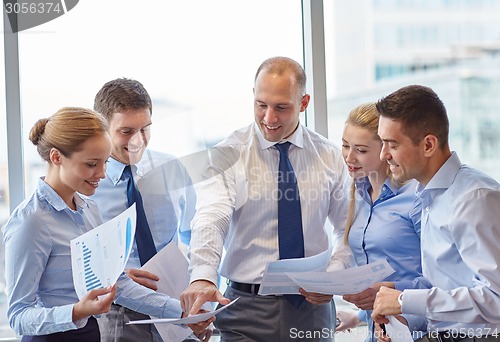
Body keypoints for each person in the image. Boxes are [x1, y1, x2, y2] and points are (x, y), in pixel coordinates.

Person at [180, 56, 353, 341]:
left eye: (281, 108)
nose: (269, 118)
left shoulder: (329, 155)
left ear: (304, 103)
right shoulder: (228, 153)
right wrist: (202, 274)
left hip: (312, 306)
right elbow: (212, 216)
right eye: (261, 105)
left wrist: (333, 275)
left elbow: (347, 228)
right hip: (245, 309)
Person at [3, 107, 211, 342]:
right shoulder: (31, 221)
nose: (102, 174)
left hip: (90, 334)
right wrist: (77, 312)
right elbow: (19, 315)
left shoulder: (89, 209)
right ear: (56, 157)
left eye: (104, 162)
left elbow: (117, 285)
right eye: (92, 164)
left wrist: (183, 312)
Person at [371, 85, 500, 341]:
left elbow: (495, 299)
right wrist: (402, 315)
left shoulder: (473, 198)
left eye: (392, 144)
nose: (383, 154)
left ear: (428, 144)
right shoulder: (428, 195)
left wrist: (405, 300)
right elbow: (447, 289)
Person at [90, 78, 202, 342]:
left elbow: (195, 236)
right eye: (127, 131)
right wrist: (118, 277)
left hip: (176, 306)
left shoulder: (171, 168)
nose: (139, 140)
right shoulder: (87, 186)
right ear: (102, 128)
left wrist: (201, 299)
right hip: (119, 314)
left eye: (145, 129)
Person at [336, 102, 423, 341]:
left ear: (386, 150)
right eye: (345, 146)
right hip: (379, 332)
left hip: (416, 331)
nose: (349, 157)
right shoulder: (357, 196)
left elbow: (443, 279)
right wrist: (358, 316)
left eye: (361, 150)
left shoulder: (415, 197)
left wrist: (392, 291)